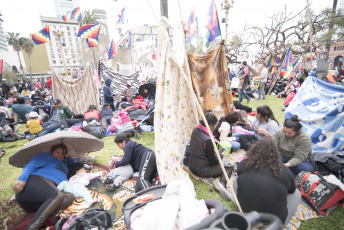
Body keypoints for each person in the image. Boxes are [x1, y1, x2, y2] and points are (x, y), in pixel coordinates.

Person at [235, 139, 300, 225]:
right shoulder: (283, 169)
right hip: (274, 223)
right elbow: (292, 190)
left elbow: (239, 173)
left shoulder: (244, 163)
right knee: (297, 193)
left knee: (237, 180)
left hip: (244, 214)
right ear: (276, 154)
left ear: (254, 150)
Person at [12, 144, 75, 229]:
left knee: (69, 196)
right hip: (35, 184)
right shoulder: (45, 156)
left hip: (42, 199)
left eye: (63, 153)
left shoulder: (64, 164)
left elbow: (72, 162)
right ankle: (32, 227)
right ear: (51, 152)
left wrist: (67, 156)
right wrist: (22, 179)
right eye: (57, 152)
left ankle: (45, 218)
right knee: (57, 195)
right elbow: (31, 165)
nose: (60, 155)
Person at [189, 113, 232, 185]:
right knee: (228, 167)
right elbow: (214, 161)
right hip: (201, 170)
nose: (216, 127)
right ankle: (222, 184)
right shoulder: (208, 140)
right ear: (210, 126)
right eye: (215, 125)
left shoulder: (195, 130)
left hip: (192, 165)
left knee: (220, 157)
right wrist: (220, 156)